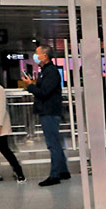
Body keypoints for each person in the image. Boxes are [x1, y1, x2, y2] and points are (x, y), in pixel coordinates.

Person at [20, 45, 69, 186]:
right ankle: (63, 171)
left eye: (37, 53)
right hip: (48, 111)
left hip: (50, 111)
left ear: (45, 56)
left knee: (52, 144)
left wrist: (30, 86)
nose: (35, 56)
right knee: (55, 142)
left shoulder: (51, 72)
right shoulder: (46, 71)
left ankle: (55, 175)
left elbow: (43, 92)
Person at [0, 82, 25, 183]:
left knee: (4, 149)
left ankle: (19, 171)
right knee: (4, 148)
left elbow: (1, 109)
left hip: (1, 125)